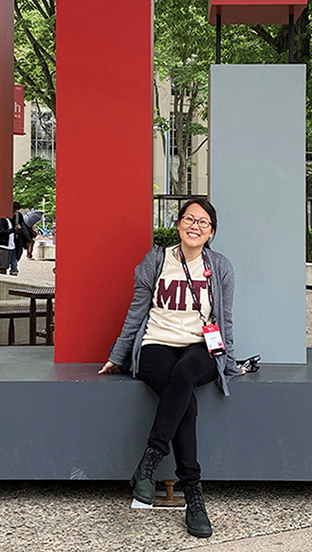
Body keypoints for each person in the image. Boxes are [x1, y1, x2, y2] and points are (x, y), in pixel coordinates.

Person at [98, 198, 243, 539]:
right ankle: (193, 495)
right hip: (157, 344)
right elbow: (136, 311)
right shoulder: (156, 260)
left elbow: (226, 319)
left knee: (184, 374)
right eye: (189, 219)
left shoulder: (220, 267)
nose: (195, 226)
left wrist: (230, 362)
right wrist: (118, 355)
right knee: (185, 401)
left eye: (203, 222)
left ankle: (150, 461)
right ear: (178, 224)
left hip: (201, 347)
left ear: (211, 232)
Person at [11, 202, 27, 274]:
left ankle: (14, 266)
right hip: (10, 237)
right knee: (13, 253)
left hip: (17, 237)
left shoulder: (19, 215)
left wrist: (20, 228)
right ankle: (14, 267)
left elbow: (22, 224)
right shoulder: (7, 215)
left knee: (17, 252)